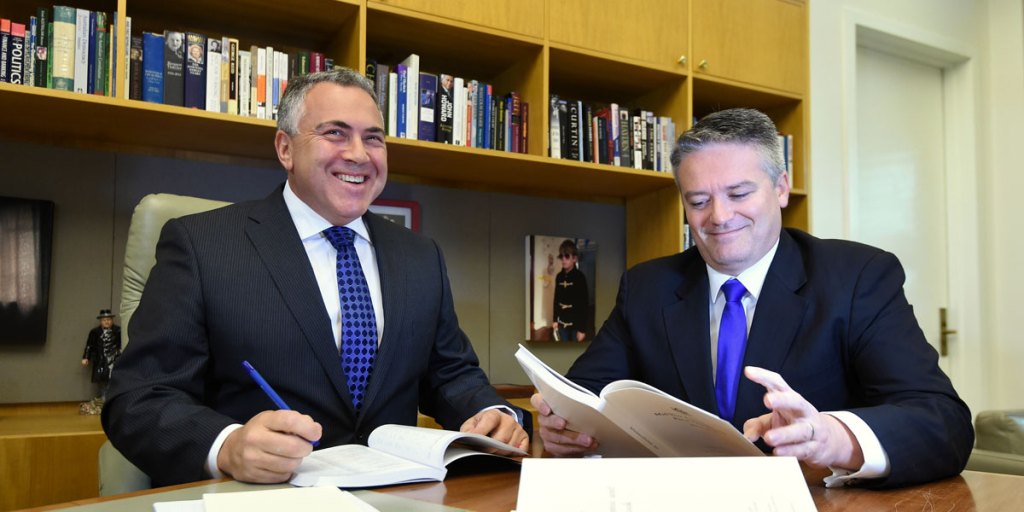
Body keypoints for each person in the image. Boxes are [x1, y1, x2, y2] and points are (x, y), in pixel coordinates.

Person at [103, 68, 528, 487]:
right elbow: (139, 397)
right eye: (335, 133)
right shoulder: (203, 245)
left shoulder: (420, 255)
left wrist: (494, 416)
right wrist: (227, 447)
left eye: (373, 138)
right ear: (285, 149)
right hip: (259, 497)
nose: (359, 154)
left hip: (398, 495)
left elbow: (451, 375)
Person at [531, 108, 973, 488]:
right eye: (698, 200)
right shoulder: (647, 287)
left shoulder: (857, 277)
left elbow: (943, 421)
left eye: (739, 193)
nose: (719, 217)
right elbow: (585, 397)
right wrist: (562, 426)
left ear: (781, 188)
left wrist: (834, 438)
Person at [552, 239, 588, 342]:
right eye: (561, 256)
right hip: (562, 324)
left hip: (576, 325)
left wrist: (582, 329)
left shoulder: (580, 277)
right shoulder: (559, 276)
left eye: (567, 256)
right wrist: (555, 320)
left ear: (574, 258)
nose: (563, 259)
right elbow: (556, 299)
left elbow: (584, 304)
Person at [81, 309, 121, 398]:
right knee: (101, 380)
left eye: (108, 319)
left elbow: (121, 345)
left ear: (112, 320)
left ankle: (111, 399)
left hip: (114, 359)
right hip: (100, 359)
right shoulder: (95, 332)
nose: (106, 322)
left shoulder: (118, 331)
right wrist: (86, 357)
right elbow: (89, 345)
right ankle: (103, 398)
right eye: (104, 320)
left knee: (114, 379)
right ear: (100, 321)